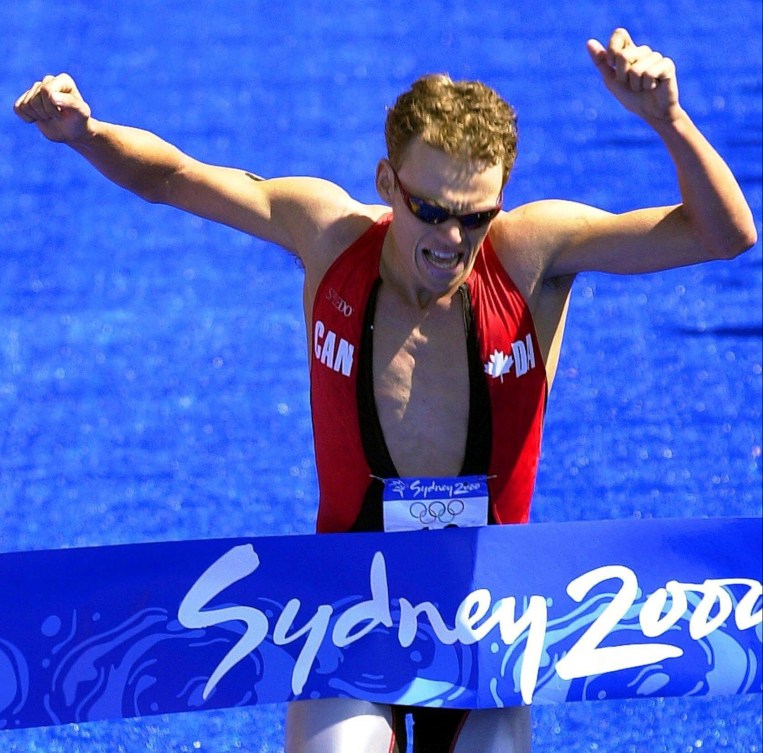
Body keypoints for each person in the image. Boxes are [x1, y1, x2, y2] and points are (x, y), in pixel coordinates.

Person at [14, 26, 756, 753]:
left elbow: (723, 236)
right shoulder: (329, 235)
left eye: (474, 216)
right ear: (385, 184)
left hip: (486, 611)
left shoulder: (533, 255)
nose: (450, 239)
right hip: (342, 604)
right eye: (429, 209)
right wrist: (86, 133)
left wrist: (669, 121)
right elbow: (172, 176)